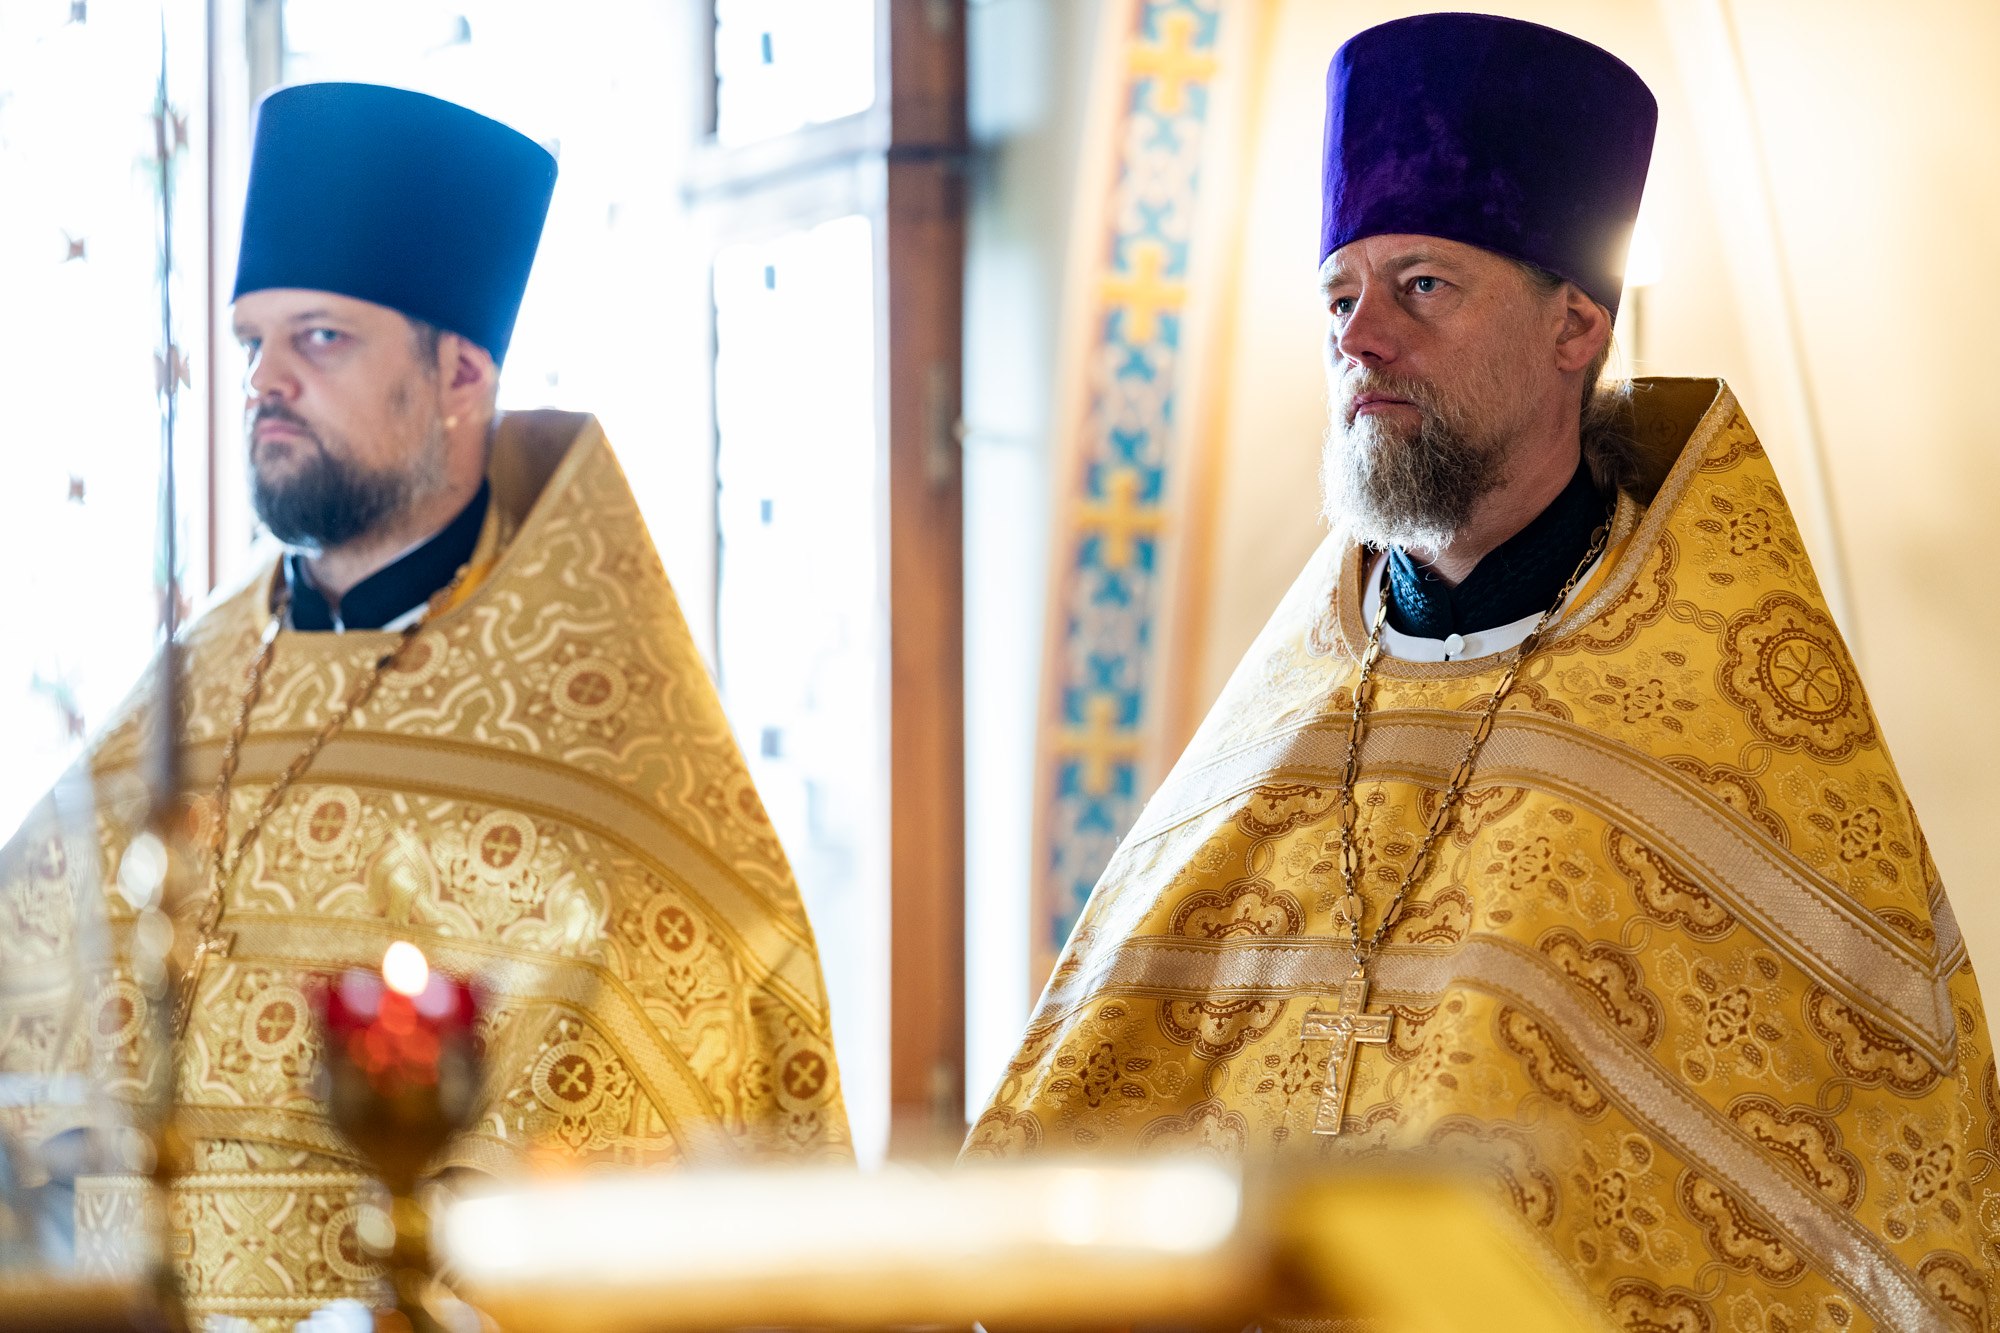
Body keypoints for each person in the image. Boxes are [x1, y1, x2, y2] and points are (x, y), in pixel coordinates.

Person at [968, 15, 1993, 1329]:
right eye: (1340, 296)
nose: (1361, 337)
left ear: (1576, 324)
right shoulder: (1269, 729)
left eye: (1422, 287)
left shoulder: (1718, 717)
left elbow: (1859, 1180)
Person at [0, 83, 849, 1328]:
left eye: (320, 338)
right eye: (251, 344)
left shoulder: (599, 762)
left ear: (459, 373)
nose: (265, 380)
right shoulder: (180, 700)